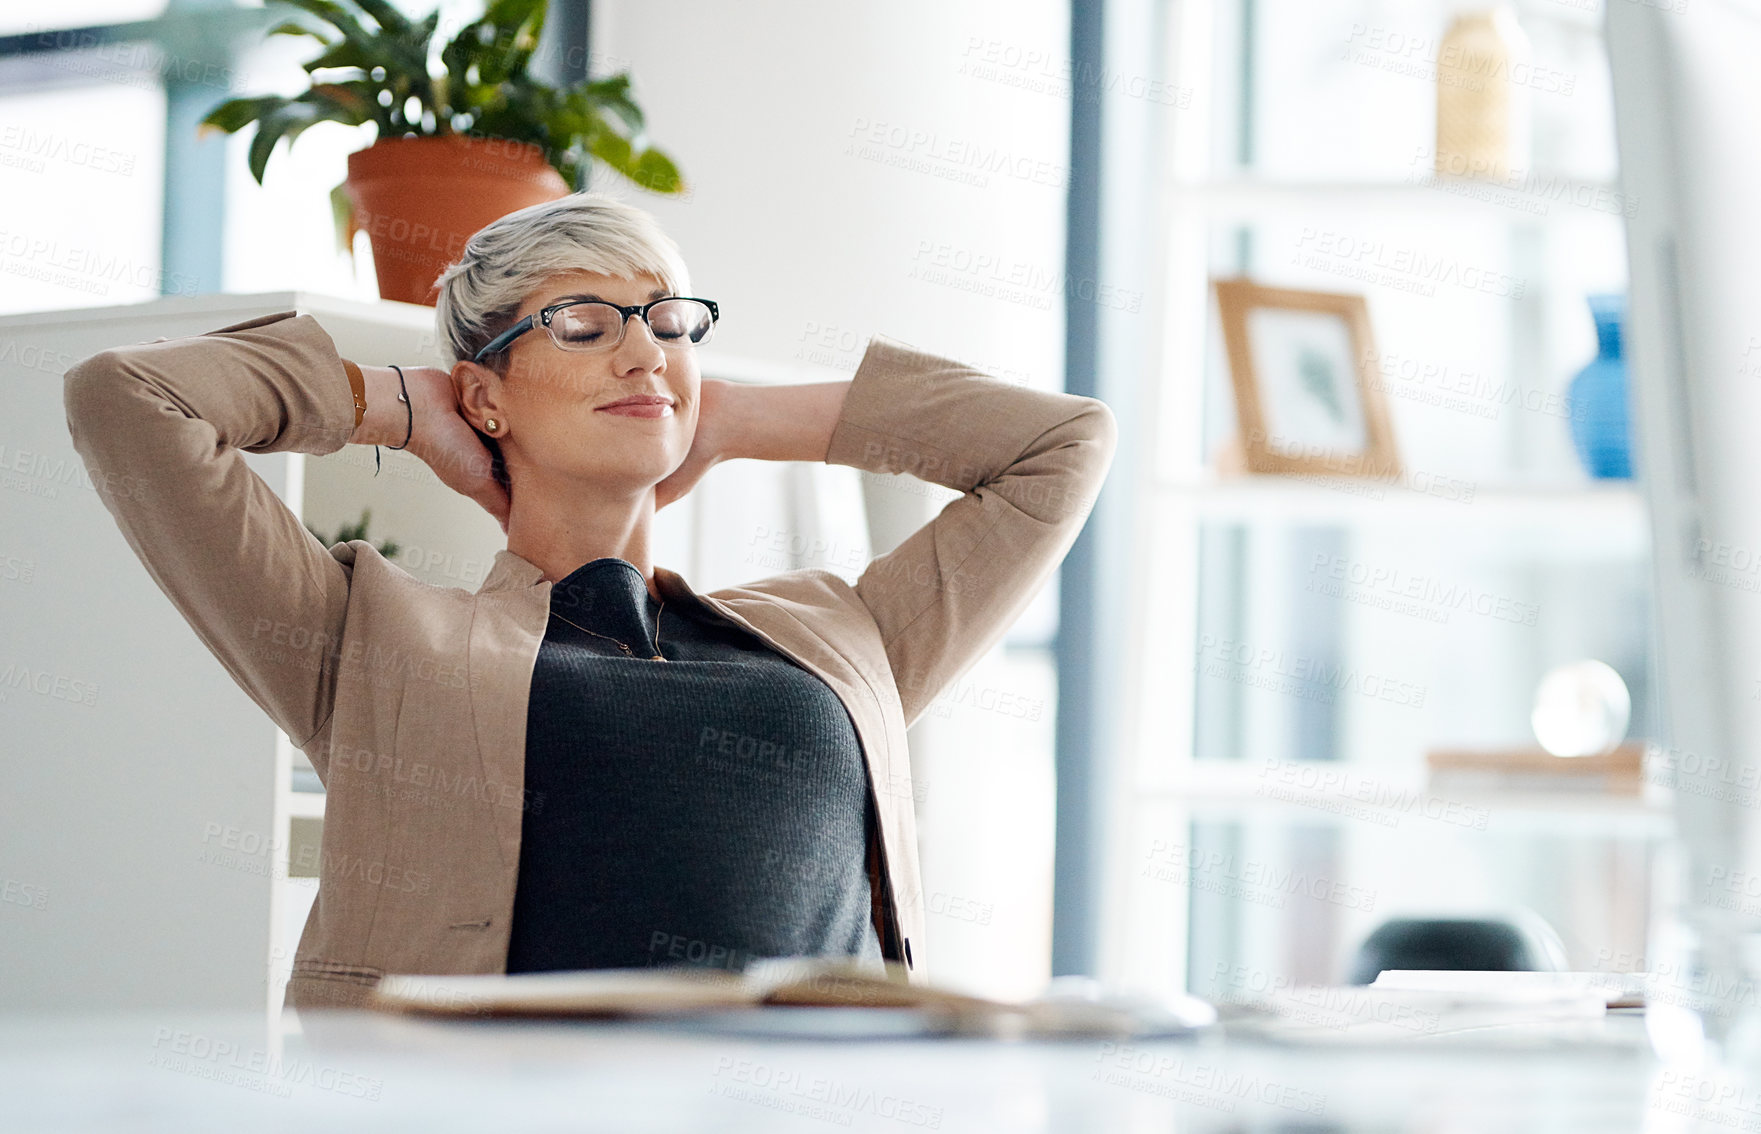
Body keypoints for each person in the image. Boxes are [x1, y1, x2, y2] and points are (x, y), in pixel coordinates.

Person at [61, 192, 1117, 1011]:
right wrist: (395, 405)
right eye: (581, 322)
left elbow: (1061, 445)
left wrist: (736, 411)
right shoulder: (378, 644)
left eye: (666, 321)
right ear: (485, 395)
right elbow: (128, 398)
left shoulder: (842, 636)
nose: (642, 349)